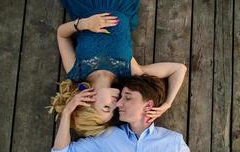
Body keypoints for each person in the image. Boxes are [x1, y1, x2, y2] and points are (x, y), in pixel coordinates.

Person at [51, 75, 205, 152]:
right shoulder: (108, 139)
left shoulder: (173, 141)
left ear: (148, 106)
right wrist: (67, 112)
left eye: (128, 97)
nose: (118, 103)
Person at [47, 0, 187, 137]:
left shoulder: (76, 71)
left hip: (85, 5)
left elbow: (61, 34)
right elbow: (179, 69)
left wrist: (84, 23)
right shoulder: (129, 72)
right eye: (114, 111)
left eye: (107, 107)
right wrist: (167, 104)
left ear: (88, 101)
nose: (116, 104)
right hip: (121, 4)